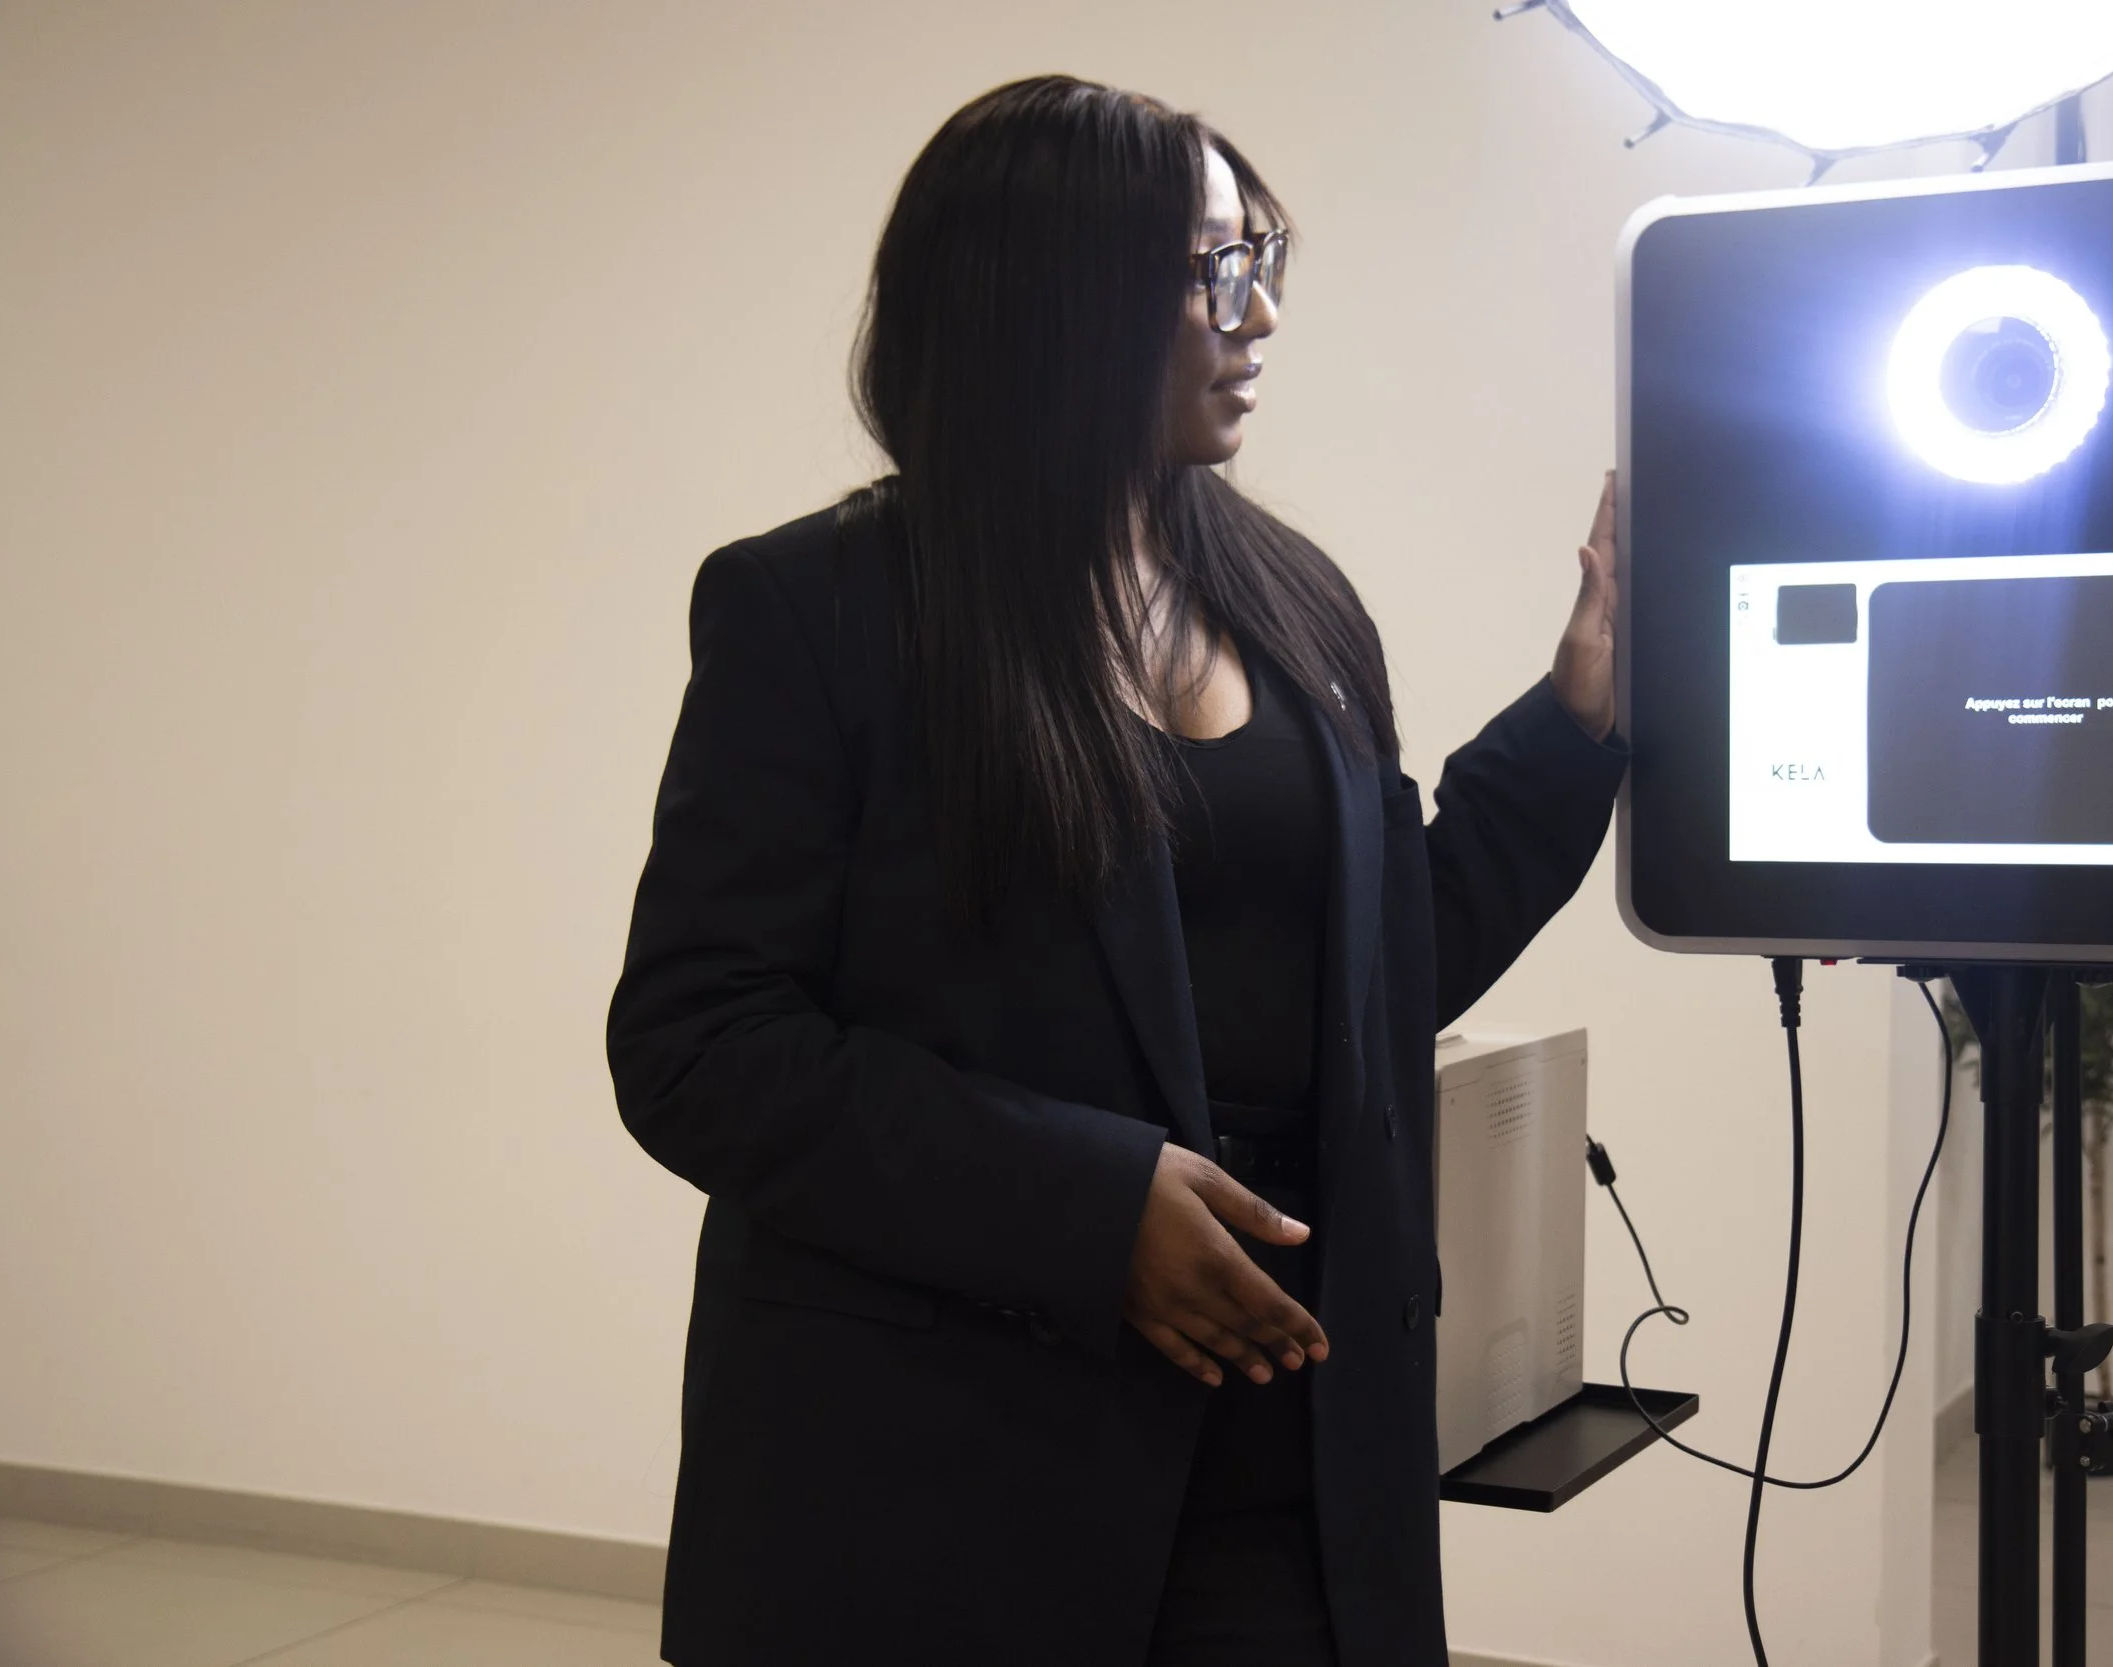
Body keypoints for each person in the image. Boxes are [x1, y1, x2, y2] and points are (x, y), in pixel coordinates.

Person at [605, 73, 1623, 1667]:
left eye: (1259, 260)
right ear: (1050, 296)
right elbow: (698, 1042)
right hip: (942, 1469)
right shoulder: (824, 610)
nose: (1260, 313)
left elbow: (1379, 977)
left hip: (1297, 1445)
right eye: (1214, 270)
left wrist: (1576, 722)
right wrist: (1085, 1205)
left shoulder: (1294, 600)